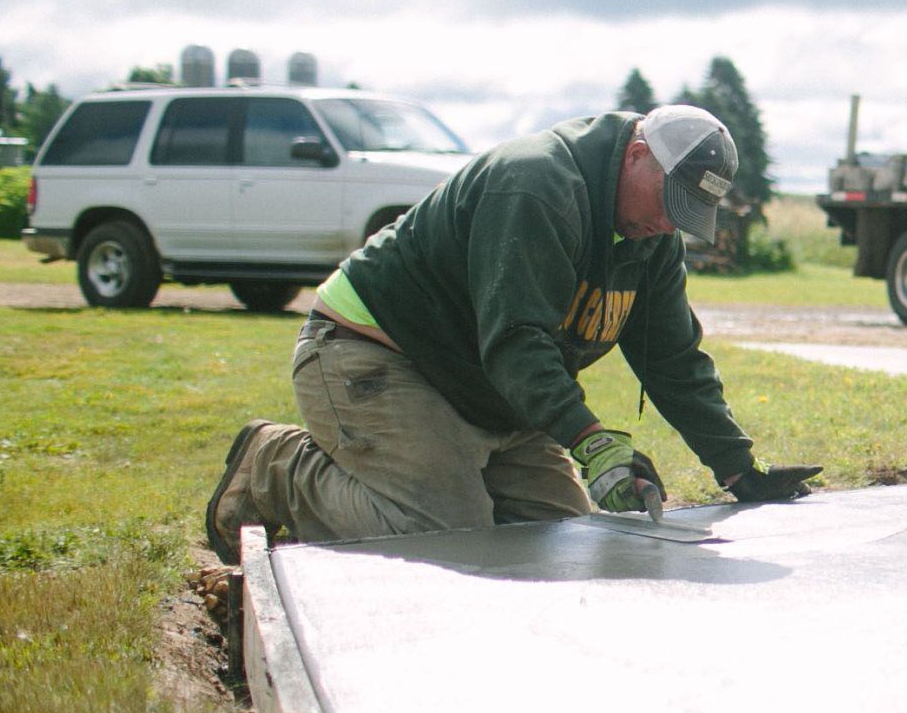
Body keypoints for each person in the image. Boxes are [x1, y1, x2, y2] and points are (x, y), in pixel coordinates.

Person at [206, 104, 817, 555]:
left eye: (688, 212)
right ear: (636, 155)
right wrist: (591, 439)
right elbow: (517, 340)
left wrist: (739, 469)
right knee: (443, 535)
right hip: (377, 353)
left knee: (559, 539)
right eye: (669, 201)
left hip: (488, 389)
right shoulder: (536, 184)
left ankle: (452, 472)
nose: (669, 224)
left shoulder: (648, 235)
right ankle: (276, 465)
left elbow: (673, 358)